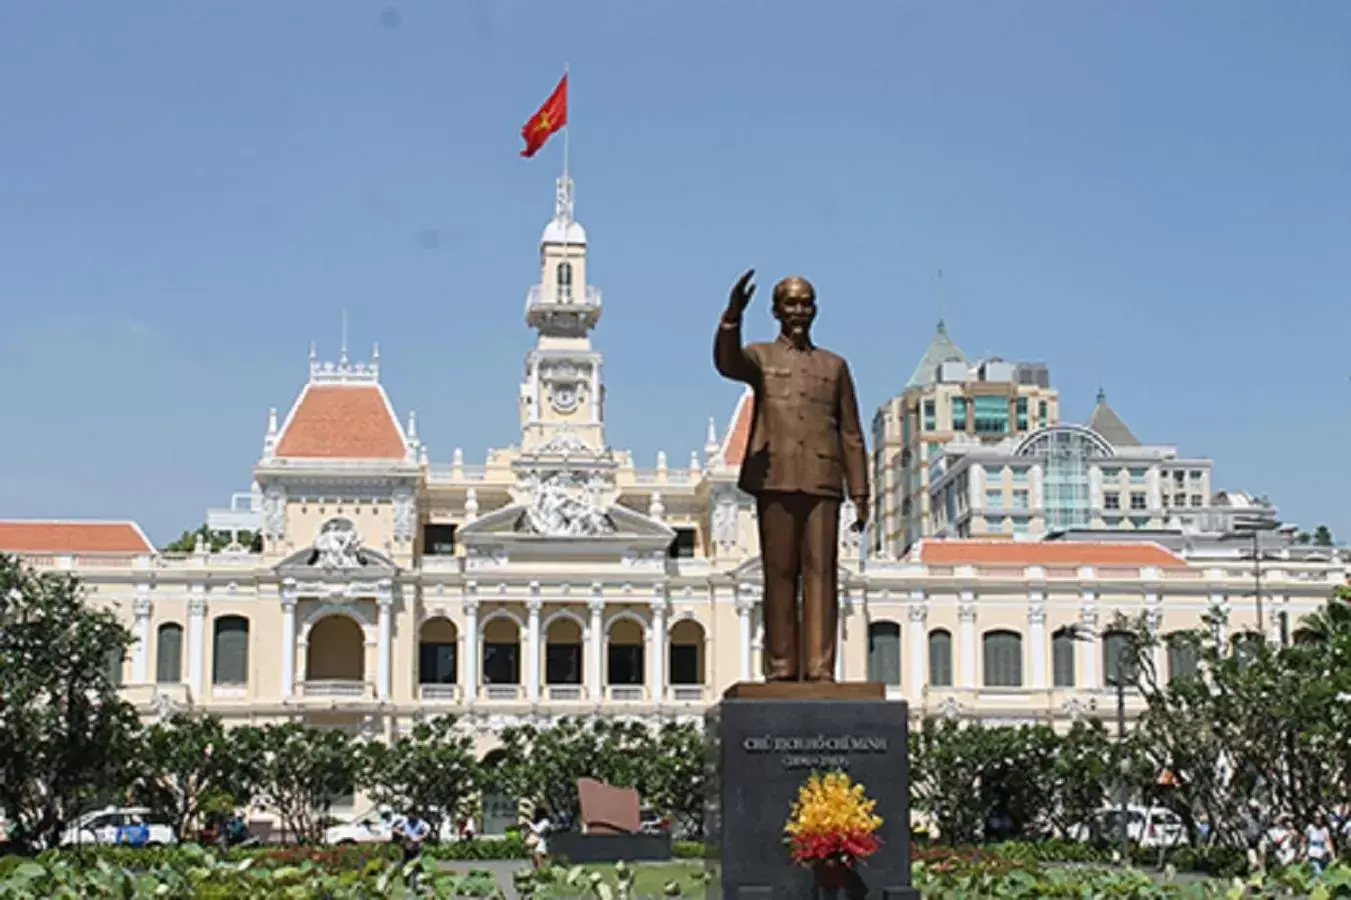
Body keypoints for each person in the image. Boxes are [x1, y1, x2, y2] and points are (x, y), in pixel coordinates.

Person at [713, 270, 869, 682]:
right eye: (790, 303)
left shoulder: (834, 366)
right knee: (779, 574)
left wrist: (861, 491)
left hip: (823, 480)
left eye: (805, 303)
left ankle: (820, 669)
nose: (798, 310)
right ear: (776, 310)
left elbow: (851, 432)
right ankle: (781, 668)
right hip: (775, 478)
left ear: (814, 310)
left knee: (822, 575)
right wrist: (731, 317)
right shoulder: (761, 357)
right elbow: (727, 363)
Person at [392, 811, 431, 890]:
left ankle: (418, 884)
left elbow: (426, 832)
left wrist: (420, 837)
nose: (410, 818)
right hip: (406, 846)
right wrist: (403, 833)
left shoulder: (421, 823)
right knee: (405, 865)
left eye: (411, 816)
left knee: (417, 865)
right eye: (409, 816)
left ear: (415, 815)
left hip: (416, 847)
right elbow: (394, 829)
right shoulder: (405, 822)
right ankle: (406, 884)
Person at [1305, 811, 1335, 876]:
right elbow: (1306, 840)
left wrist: (1332, 854)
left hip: (1323, 854)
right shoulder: (1310, 828)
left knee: (1325, 874)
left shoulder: (1325, 829)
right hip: (1313, 854)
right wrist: (1305, 853)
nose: (1318, 819)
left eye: (1320, 818)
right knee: (1318, 874)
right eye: (1316, 818)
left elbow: (1328, 841)